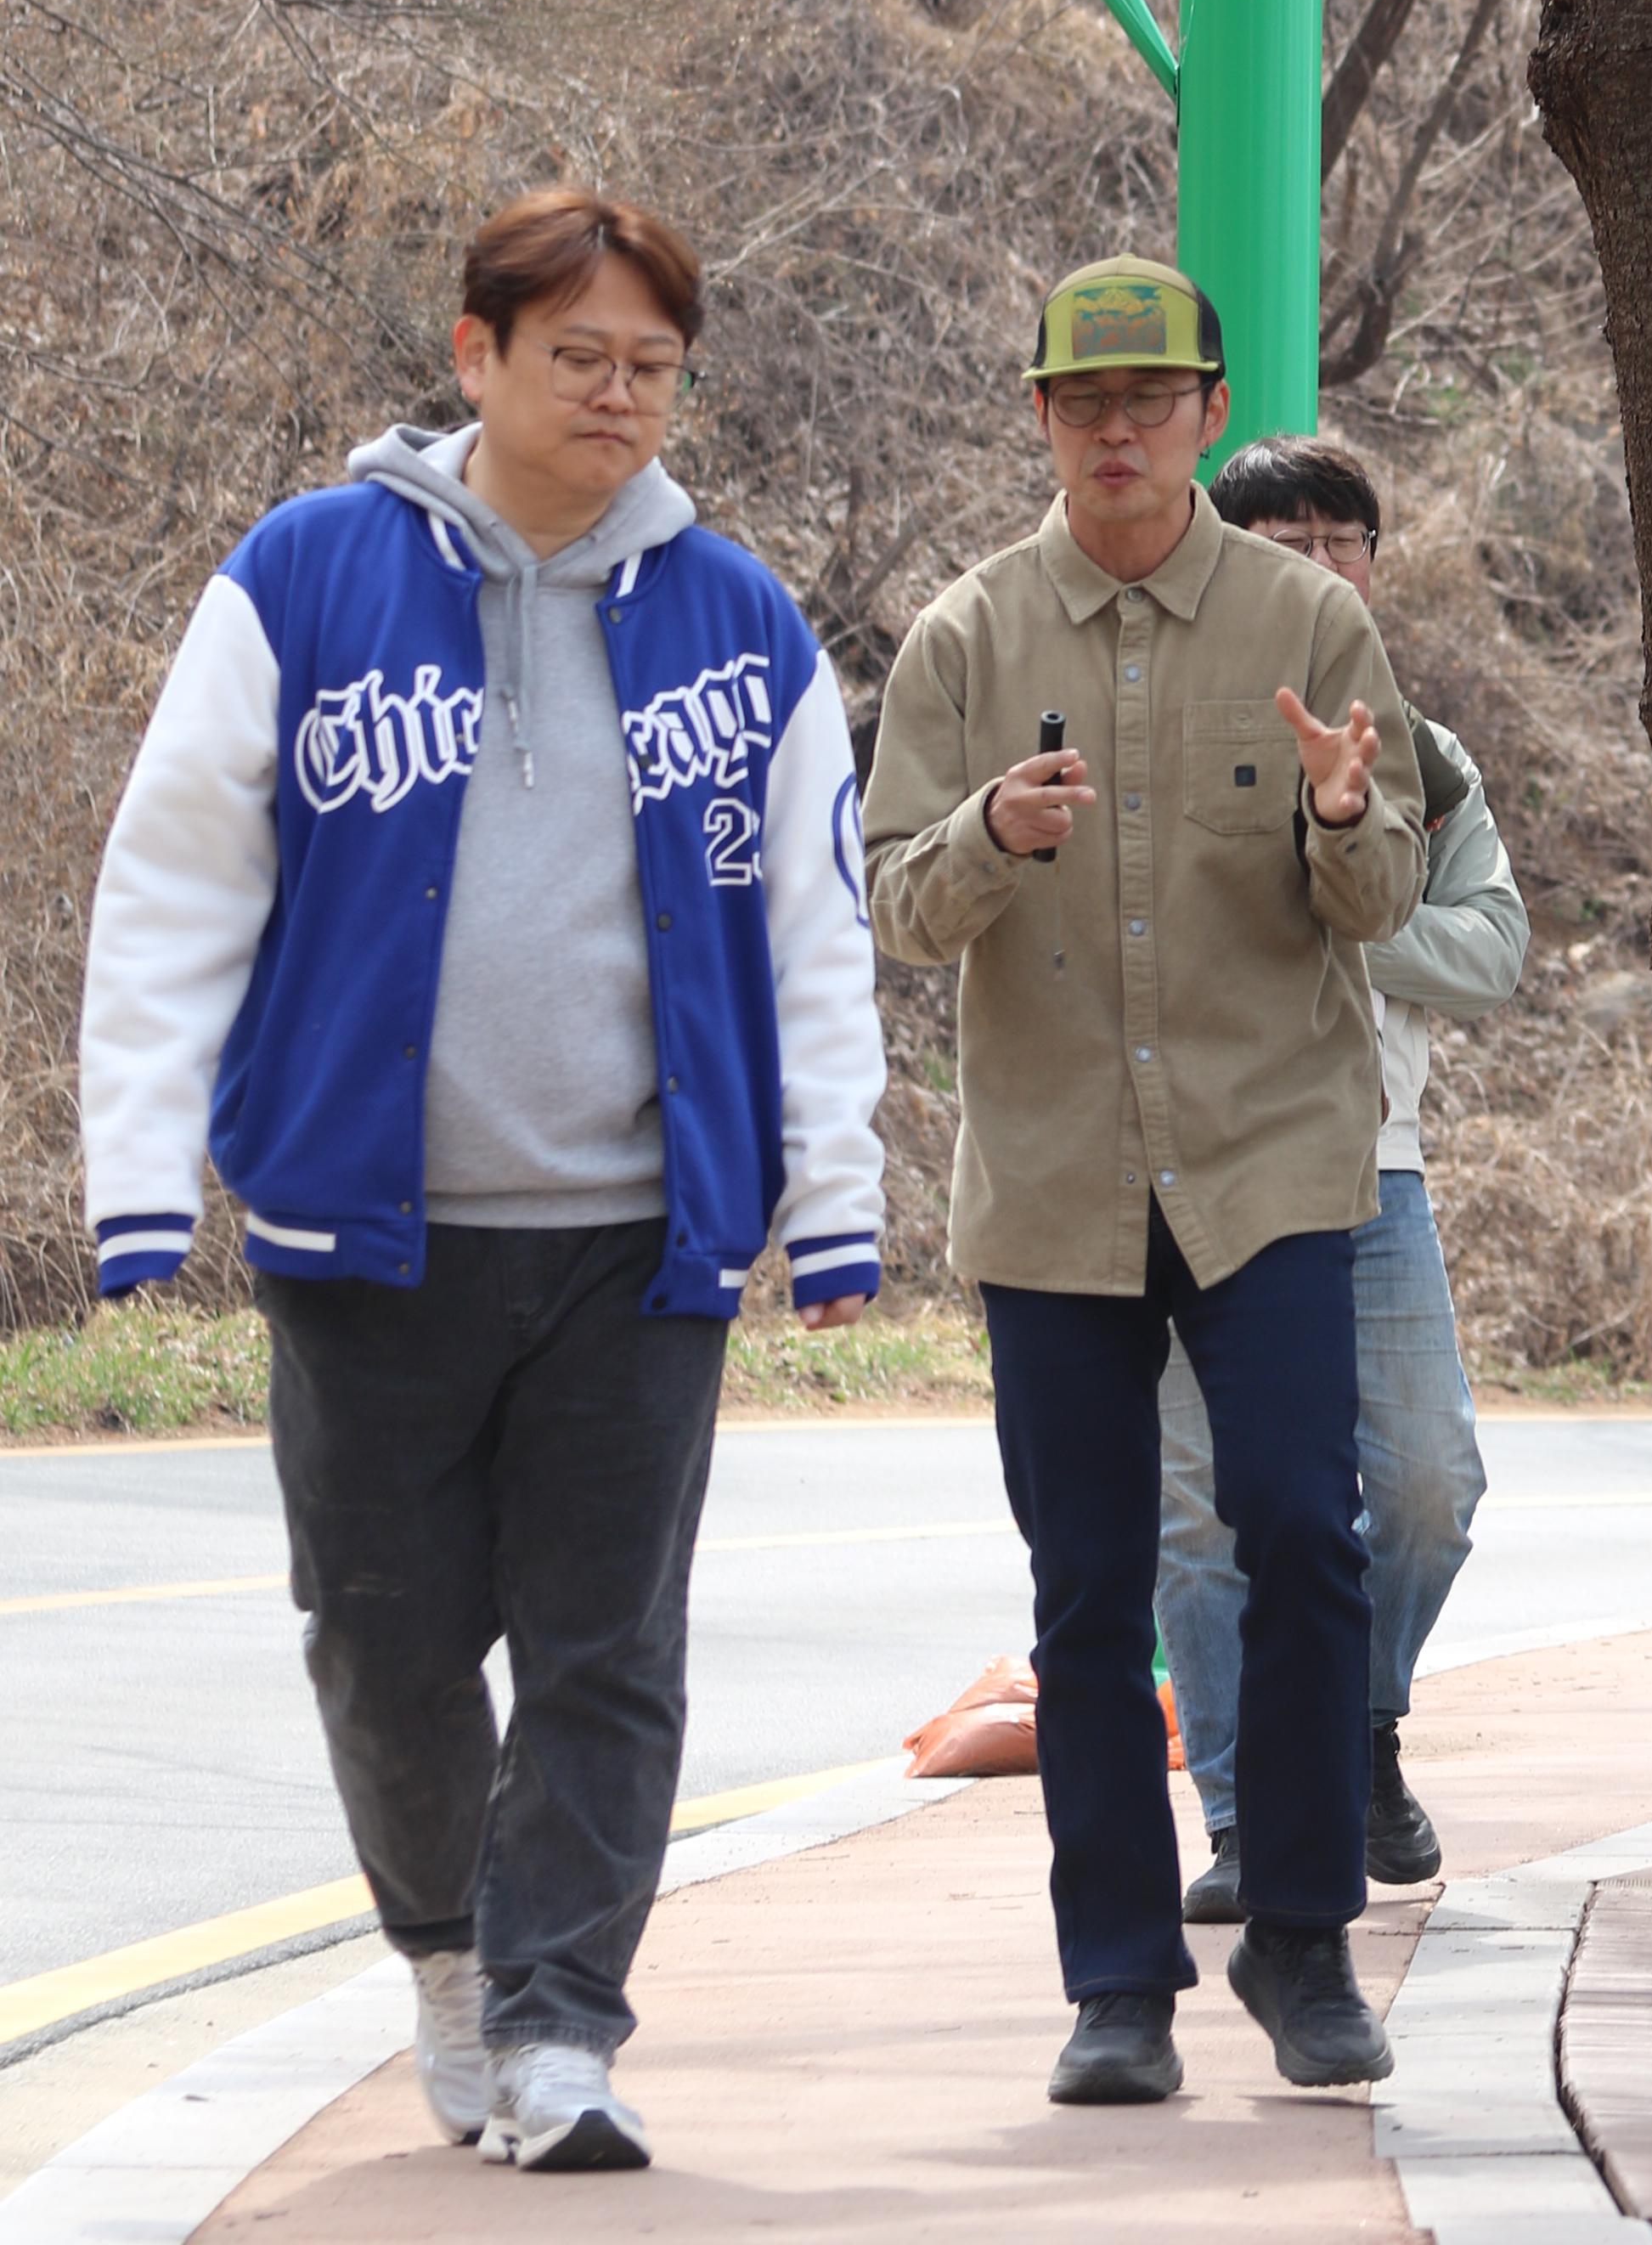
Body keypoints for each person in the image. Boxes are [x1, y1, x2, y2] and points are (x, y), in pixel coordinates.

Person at [77, 186, 885, 2179]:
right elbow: (180, 874)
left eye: (652, 366)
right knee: (384, 1639)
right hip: (369, 1234)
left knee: (612, 1649)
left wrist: (837, 1188)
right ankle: (448, 1950)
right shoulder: (309, 574)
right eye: (578, 356)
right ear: (477, 354)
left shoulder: (739, 620)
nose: (618, 395)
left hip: (638, 1239)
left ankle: (558, 2026)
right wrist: (140, 1167)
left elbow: (814, 929)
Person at [861, 260, 1426, 2112]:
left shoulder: (1307, 619)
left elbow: (1386, 893)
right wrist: (987, 833)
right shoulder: (964, 638)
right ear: (1040, 416)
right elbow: (892, 901)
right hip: (1053, 1182)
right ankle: (1116, 1985)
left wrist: (1336, 814)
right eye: (1083, 403)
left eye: (1150, 399)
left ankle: (1304, 1935)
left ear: (1207, 409)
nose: (1116, 432)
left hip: (1267, 1161)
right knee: (1086, 1589)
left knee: (1306, 1530)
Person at [1155, 437, 1528, 1919]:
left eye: (1342, 538)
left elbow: (1491, 951)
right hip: (1190, 1163)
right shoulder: (1159, 721)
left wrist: (1346, 901)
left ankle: (1357, 1730)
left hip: (1373, 1164)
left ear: (1375, 561)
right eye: (1282, 537)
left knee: (1429, 1487)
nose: (1317, 564)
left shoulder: (1424, 758)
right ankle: (1245, 1815)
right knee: (1203, 1510)